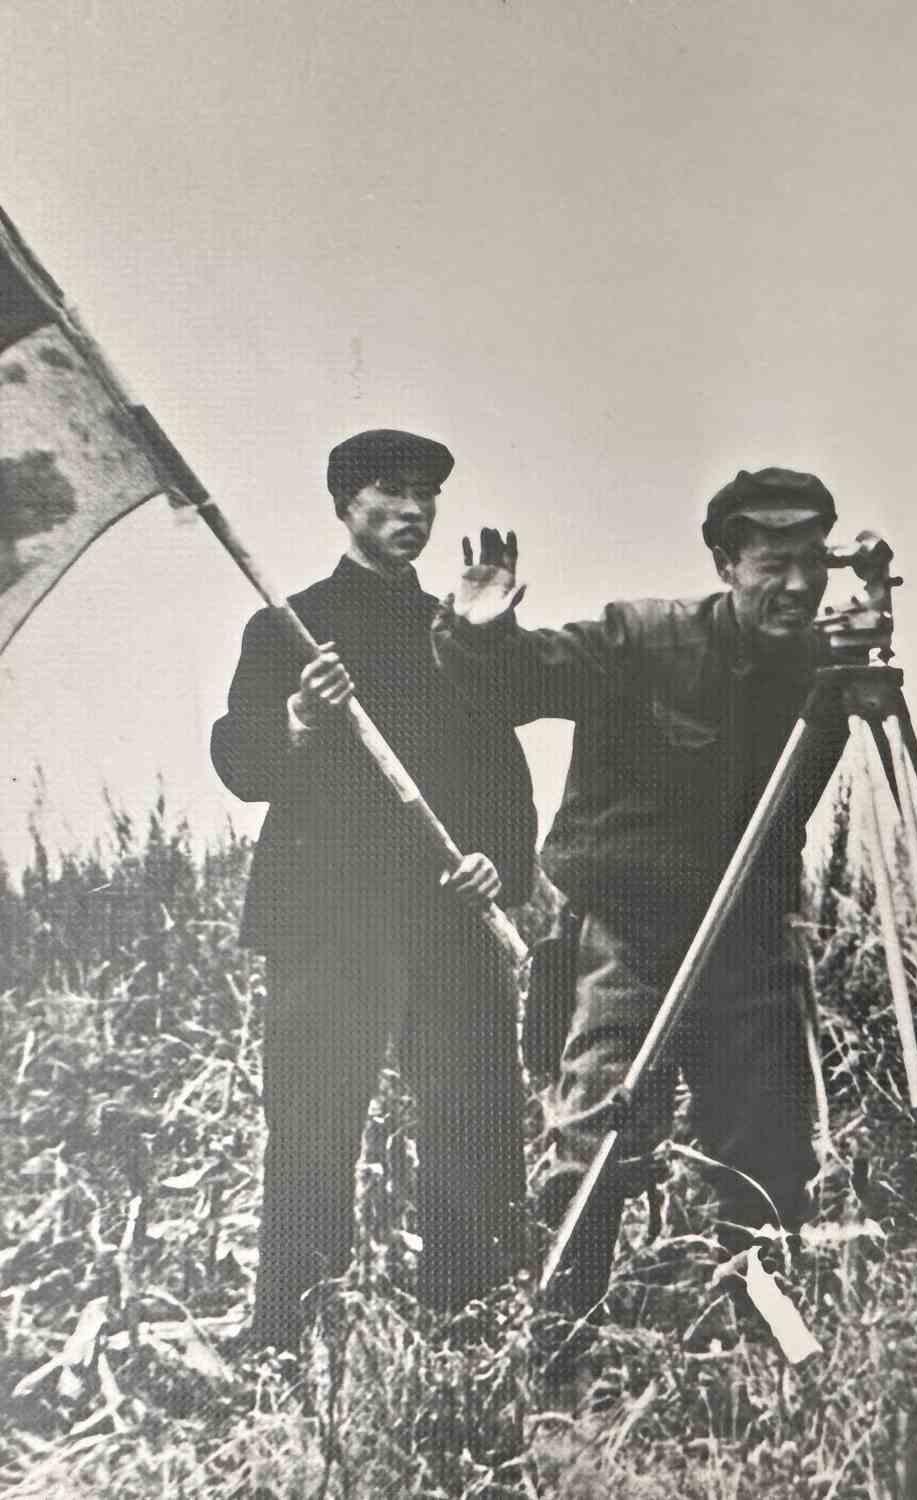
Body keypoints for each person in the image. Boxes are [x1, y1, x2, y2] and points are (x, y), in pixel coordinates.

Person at [431, 467, 843, 1322]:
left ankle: (761, 1345)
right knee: (598, 1144)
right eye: (773, 564)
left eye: (813, 563)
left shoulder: (827, 673)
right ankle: (560, 1339)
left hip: (750, 938)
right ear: (727, 562)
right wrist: (481, 630)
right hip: (627, 935)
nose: (798, 586)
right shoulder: (645, 640)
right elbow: (523, 682)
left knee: (767, 1157)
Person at [211, 428, 536, 1351]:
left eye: (426, 496)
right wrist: (301, 718)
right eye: (392, 494)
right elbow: (242, 762)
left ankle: (471, 1325)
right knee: (313, 1125)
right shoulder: (288, 624)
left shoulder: (456, 632)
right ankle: (293, 1337)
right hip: (327, 915)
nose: (415, 513)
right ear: (345, 506)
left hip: (447, 908)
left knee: (473, 1113)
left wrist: (498, 864)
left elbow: (501, 770)